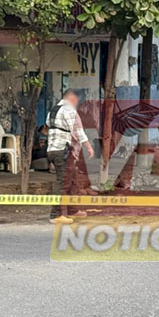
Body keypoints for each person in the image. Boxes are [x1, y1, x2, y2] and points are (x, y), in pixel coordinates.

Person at [46, 89, 94, 224]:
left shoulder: (53, 110)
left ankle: (73, 209)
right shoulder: (69, 110)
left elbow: (48, 126)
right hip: (63, 150)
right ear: (72, 98)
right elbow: (78, 131)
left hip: (52, 150)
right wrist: (88, 147)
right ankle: (57, 214)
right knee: (64, 181)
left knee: (73, 179)